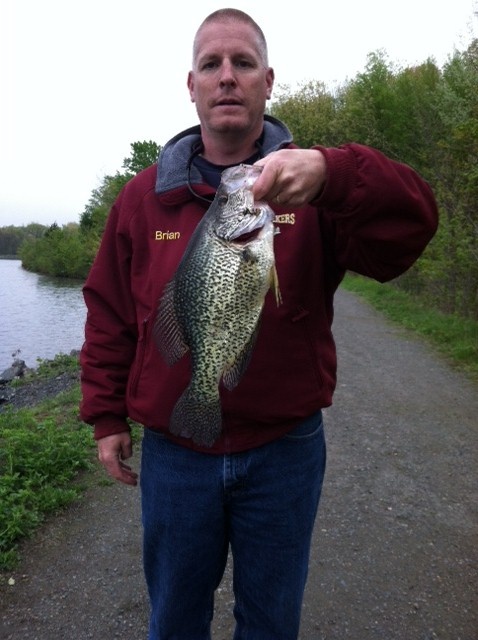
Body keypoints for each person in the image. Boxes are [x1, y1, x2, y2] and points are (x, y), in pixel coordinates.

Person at [79, 8, 438, 639]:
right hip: (174, 455)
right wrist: (107, 417)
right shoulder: (141, 199)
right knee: (174, 622)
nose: (226, 77)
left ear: (267, 81)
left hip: (285, 451)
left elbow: (411, 229)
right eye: (211, 64)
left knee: (272, 624)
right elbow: (109, 313)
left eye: (243, 63)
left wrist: (334, 173)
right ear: (189, 84)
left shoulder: (309, 186)